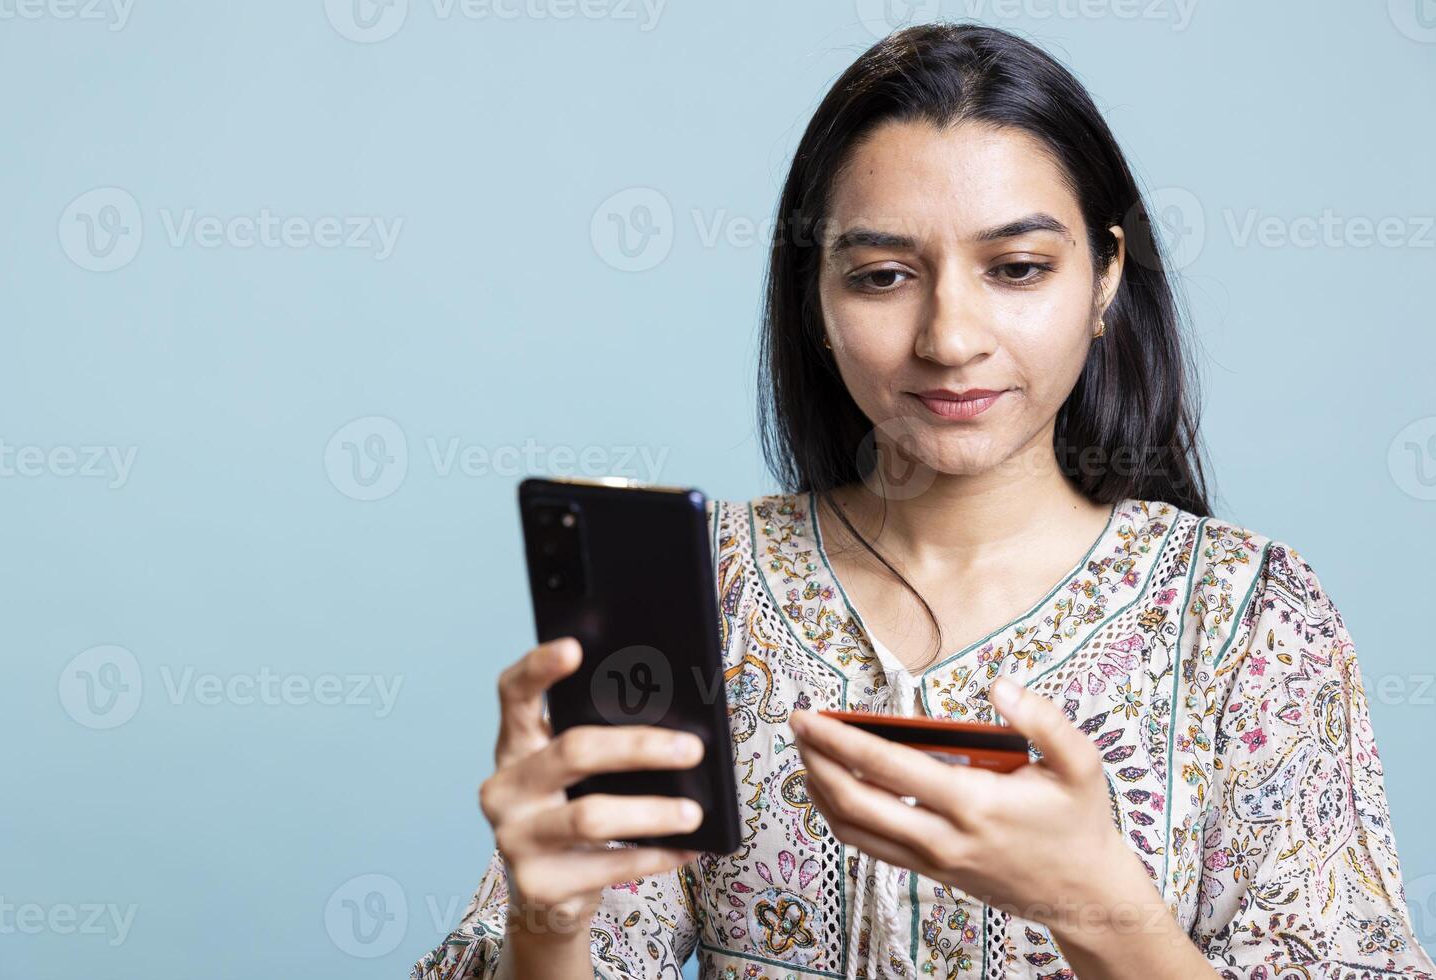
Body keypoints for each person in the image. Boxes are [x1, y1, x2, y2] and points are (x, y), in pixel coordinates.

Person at [413, 22, 1436, 980]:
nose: (950, 337)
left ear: (1105, 277)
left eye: (1018, 268)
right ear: (815, 298)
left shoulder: (1246, 619)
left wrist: (1101, 909)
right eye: (883, 276)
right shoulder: (702, 591)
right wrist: (546, 920)